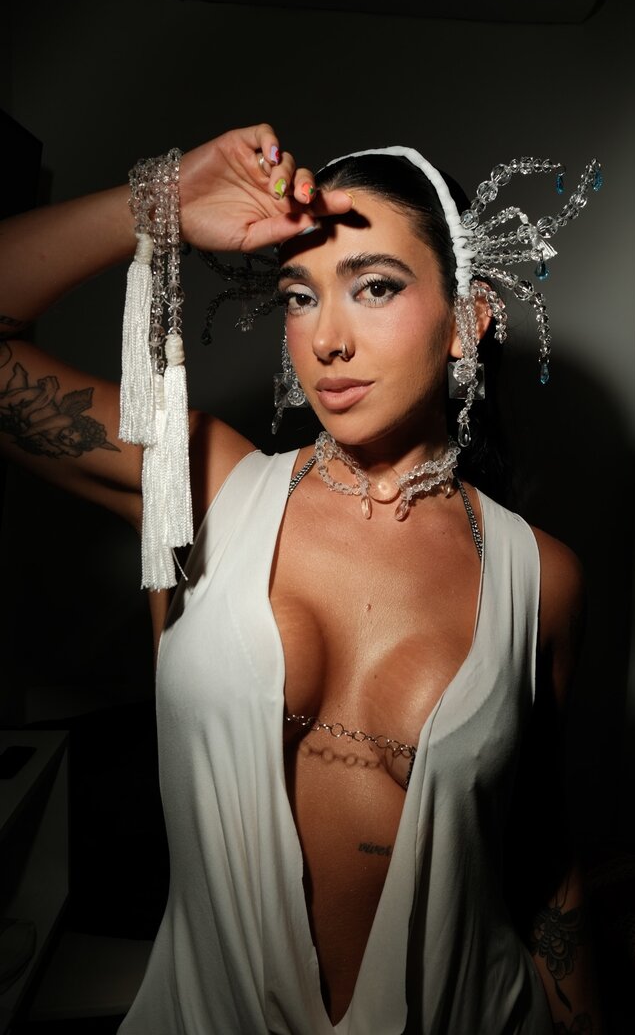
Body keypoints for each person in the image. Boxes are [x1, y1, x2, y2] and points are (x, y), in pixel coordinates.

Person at [0, 123, 602, 1033]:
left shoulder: (540, 577)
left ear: (468, 319)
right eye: (299, 295)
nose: (327, 338)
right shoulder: (200, 485)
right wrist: (162, 198)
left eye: (375, 286)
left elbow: (543, 852)